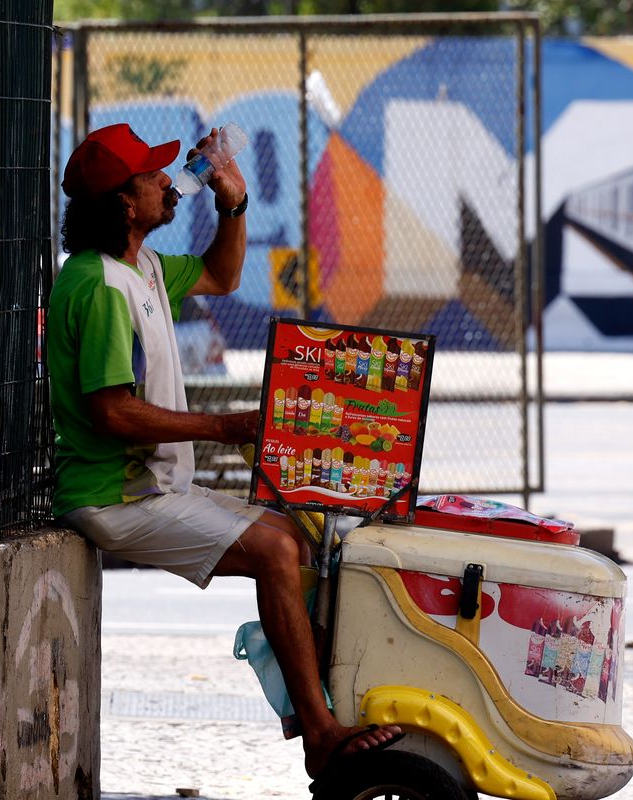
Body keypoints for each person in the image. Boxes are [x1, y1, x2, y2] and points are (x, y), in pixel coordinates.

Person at [46, 123, 401, 778]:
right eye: (152, 176)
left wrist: (230, 203)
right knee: (275, 552)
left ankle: (312, 703)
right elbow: (111, 411)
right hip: (114, 496)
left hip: (153, 487)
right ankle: (322, 735)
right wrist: (225, 428)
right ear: (125, 204)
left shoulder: (141, 267)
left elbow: (221, 273)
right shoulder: (99, 286)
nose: (166, 180)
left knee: (300, 538)